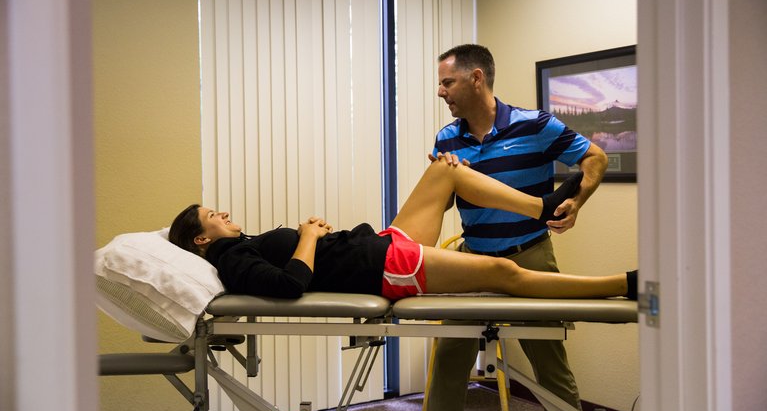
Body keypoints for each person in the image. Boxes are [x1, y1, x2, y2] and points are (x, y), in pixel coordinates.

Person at [425, 44, 610, 411]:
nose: (441, 91)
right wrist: (442, 180)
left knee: (551, 367)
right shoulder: (447, 138)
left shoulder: (535, 125)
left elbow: (595, 158)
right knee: (448, 363)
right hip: (473, 261)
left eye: (447, 82)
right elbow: (443, 202)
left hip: (529, 256)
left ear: (476, 78)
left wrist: (577, 201)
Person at [168, 155, 635, 302]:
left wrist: (312, 237)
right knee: (502, 272)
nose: (223, 213)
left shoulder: (240, 245)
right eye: (213, 216)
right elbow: (290, 286)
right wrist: (308, 237)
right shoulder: (230, 257)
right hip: (387, 267)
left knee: (445, 169)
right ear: (201, 240)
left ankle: (541, 207)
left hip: (382, 246)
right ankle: (623, 284)